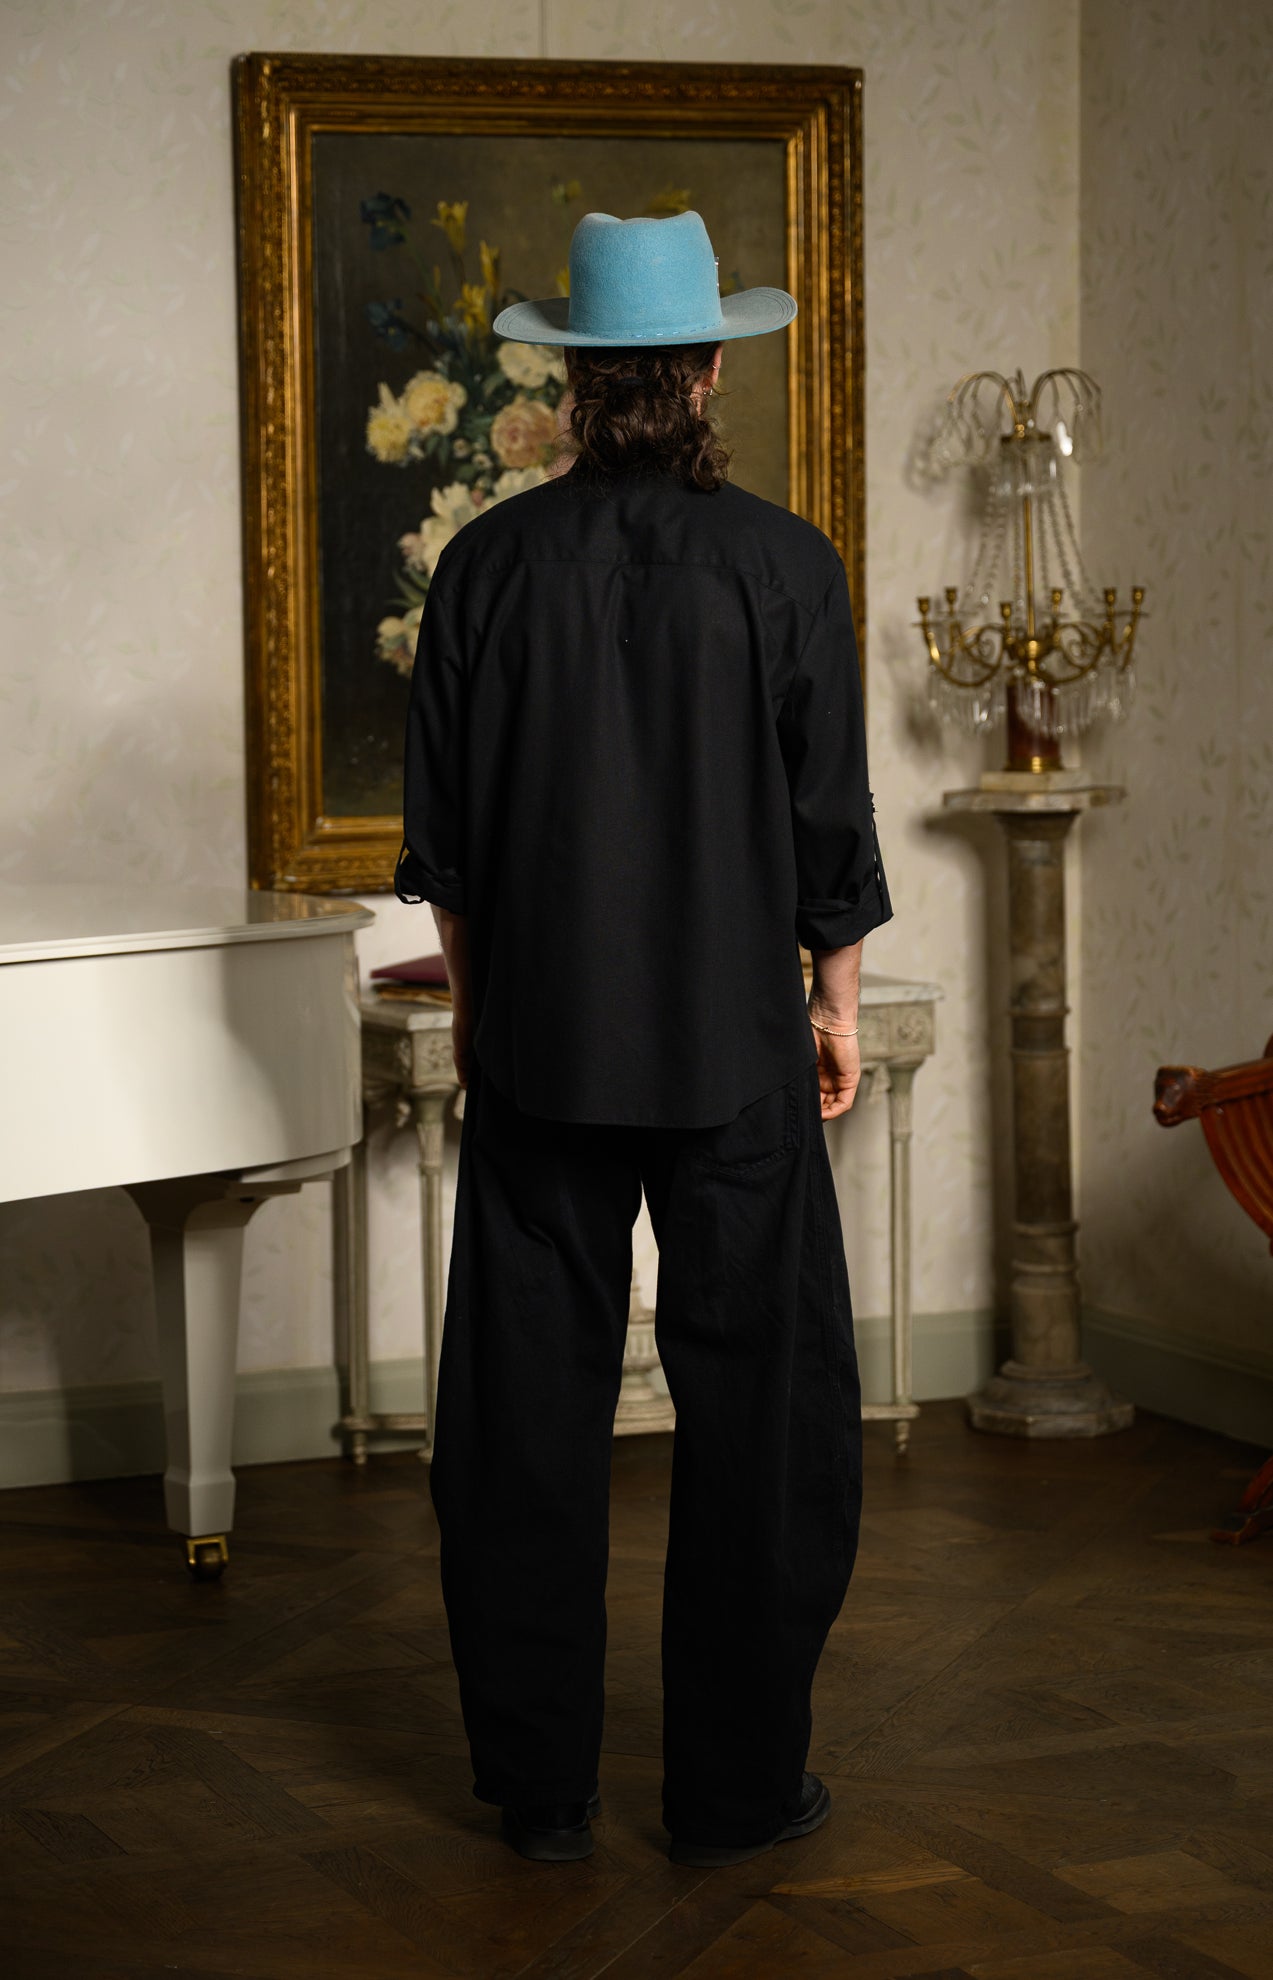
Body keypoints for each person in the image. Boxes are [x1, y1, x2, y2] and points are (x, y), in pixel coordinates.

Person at [395, 208, 892, 1869]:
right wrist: (832, 1009)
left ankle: (539, 1788)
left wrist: (482, 1019)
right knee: (765, 1422)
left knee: (519, 1425)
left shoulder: (484, 567)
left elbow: (449, 857)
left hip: (540, 1055)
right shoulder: (784, 564)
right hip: (737, 1058)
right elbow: (829, 834)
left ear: (573, 381)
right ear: (702, 373)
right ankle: (735, 1792)